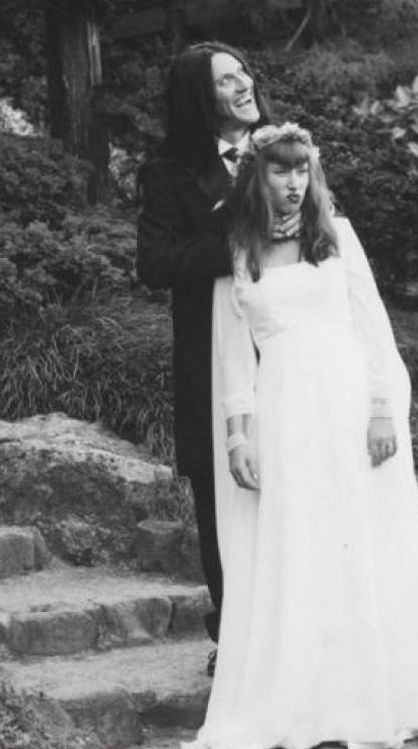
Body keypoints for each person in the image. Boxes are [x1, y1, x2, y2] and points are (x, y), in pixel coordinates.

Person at [182, 123, 418, 749]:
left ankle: (375, 697)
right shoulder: (238, 249)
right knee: (297, 545)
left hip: (345, 405)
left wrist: (379, 411)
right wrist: (238, 436)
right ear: (255, 179)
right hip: (282, 410)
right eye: (279, 171)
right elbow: (234, 355)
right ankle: (303, 700)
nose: (293, 184)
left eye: (302, 171)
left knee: (361, 539)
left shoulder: (337, 238)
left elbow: (373, 329)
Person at [137, 43, 298, 665]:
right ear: (198, 100)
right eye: (225, 80)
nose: (243, 86)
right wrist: (235, 240)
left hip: (290, 351)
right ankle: (237, 643)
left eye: (243, 74)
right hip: (213, 360)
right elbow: (154, 265)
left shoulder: (285, 156)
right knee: (223, 496)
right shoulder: (169, 173)